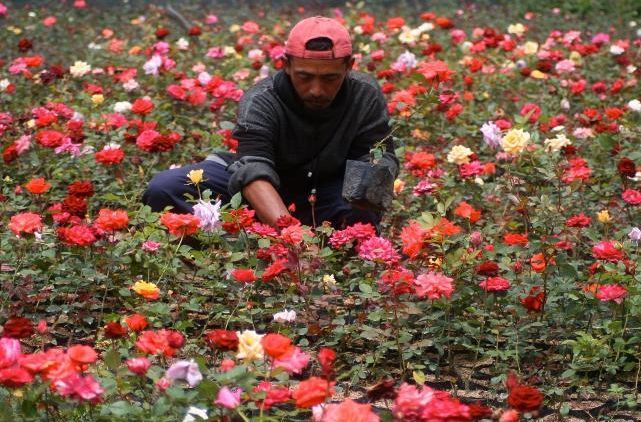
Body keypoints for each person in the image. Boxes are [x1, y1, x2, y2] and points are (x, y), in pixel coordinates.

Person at [143, 16, 399, 230]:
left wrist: (368, 193)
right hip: (261, 190)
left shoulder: (364, 94)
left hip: (327, 191)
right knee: (165, 188)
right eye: (305, 77)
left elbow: (377, 156)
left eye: (330, 78)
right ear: (286, 65)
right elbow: (252, 170)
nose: (317, 90)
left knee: (359, 216)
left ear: (349, 67)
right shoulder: (261, 99)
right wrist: (293, 238)